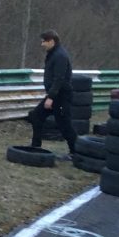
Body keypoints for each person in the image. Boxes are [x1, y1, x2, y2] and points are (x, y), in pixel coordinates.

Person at [27, 29, 76, 158]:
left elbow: (59, 79)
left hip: (61, 96)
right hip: (55, 95)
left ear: (52, 41)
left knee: (64, 125)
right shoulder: (53, 54)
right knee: (36, 116)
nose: (42, 44)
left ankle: (76, 152)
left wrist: (51, 98)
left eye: (44, 42)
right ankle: (35, 146)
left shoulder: (60, 56)